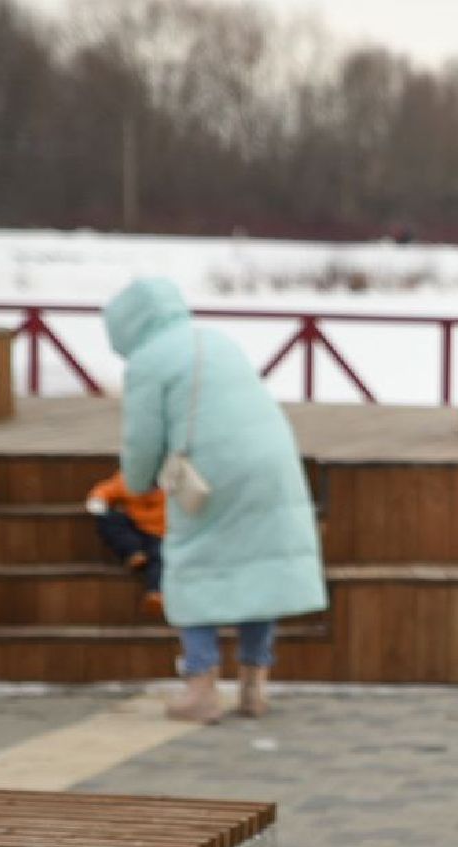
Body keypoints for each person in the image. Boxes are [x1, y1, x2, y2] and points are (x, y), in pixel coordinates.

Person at [104, 278, 327, 723]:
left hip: (212, 472)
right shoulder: (216, 339)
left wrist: (137, 481)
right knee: (260, 566)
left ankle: (201, 687)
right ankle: (254, 685)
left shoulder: (148, 361)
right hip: (274, 461)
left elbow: (142, 441)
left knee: (193, 566)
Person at [86, 470, 166, 616]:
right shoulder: (128, 477)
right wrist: (98, 503)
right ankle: (133, 553)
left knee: (160, 556)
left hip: (162, 535)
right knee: (109, 519)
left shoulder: (175, 482)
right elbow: (103, 492)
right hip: (135, 529)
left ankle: (155, 592)